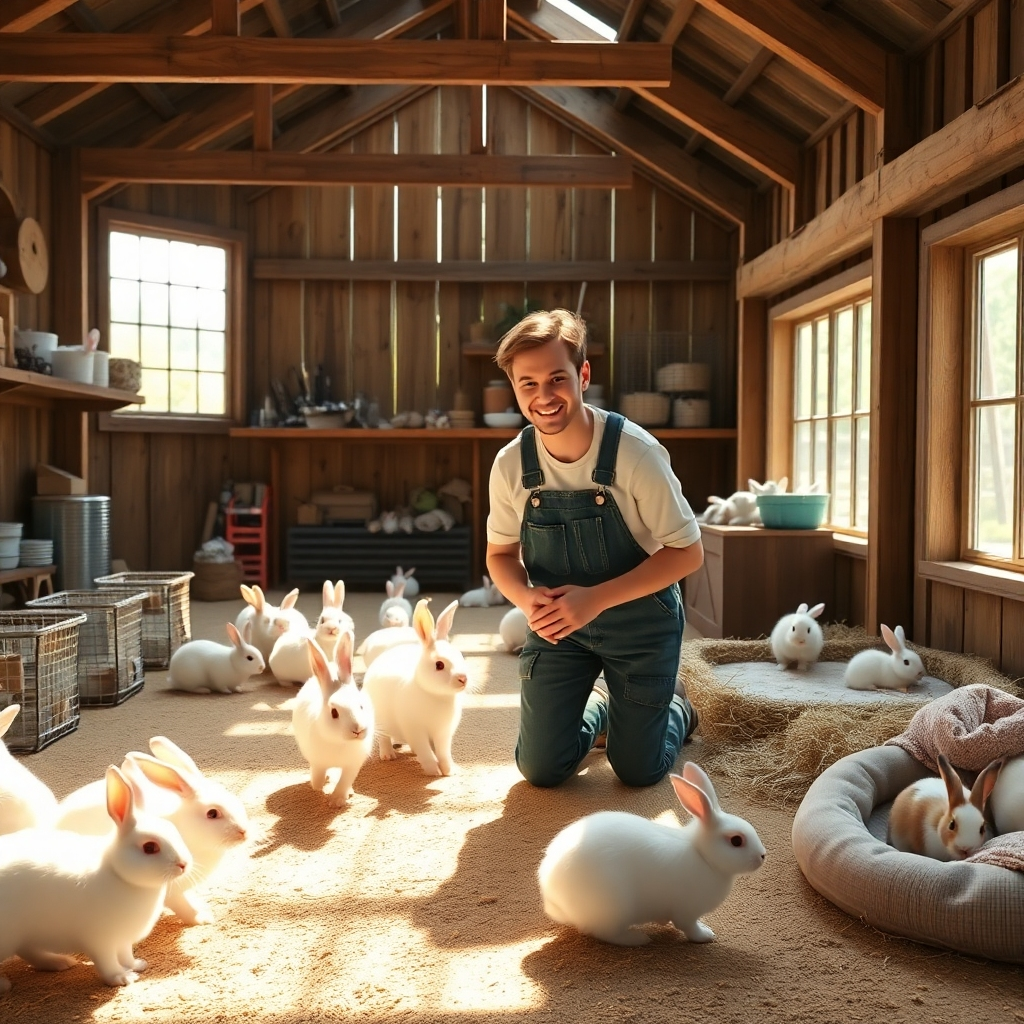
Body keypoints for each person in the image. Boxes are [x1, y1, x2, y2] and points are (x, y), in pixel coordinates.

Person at [485, 309, 704, 789]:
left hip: (641, 624)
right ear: (514, 388)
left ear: (583, 375)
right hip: (560, 628)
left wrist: (596, 599)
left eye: (557, 378)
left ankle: (676, 707)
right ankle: (603, 706)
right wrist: (527, 600)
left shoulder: (636, 453)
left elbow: (688, 552)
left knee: (639, 771)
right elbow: (499, 556)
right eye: (528, 384)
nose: (544, 396)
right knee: (541, 769)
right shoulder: (510, 465)